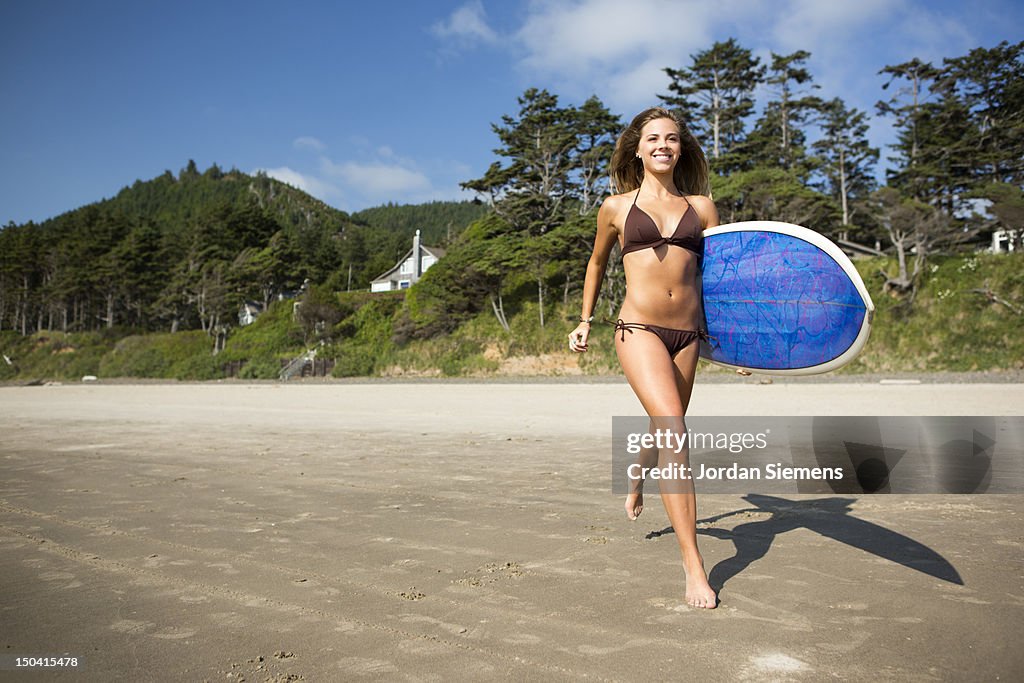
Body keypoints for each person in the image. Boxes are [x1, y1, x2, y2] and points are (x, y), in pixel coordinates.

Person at [568, 106, 719, 609]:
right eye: (653, 138)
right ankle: (693, 566)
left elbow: (718, 282)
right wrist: (585, 319)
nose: (663, 145)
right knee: (674, 427)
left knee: (665, 425)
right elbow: (596, 263)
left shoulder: (703, 207)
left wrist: (736, 341)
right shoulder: (614, 207)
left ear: (682, 148)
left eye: (672, 138)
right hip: (638, 329)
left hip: (689, 336)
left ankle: (635, 477)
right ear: (638, 148)